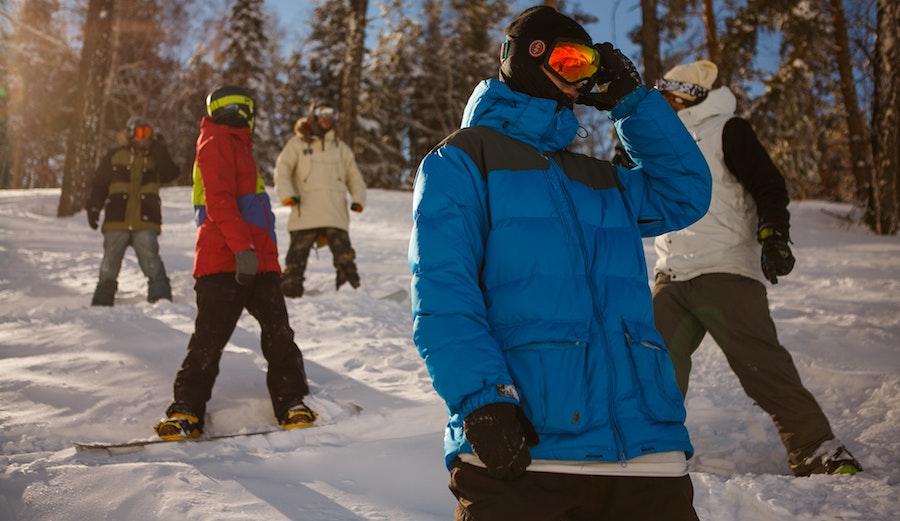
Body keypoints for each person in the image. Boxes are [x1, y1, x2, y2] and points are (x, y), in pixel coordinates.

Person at [408, 6, 713, 521]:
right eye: (569, 61)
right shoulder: (463, 159)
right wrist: (483, 399)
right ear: (523, 57)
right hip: (527, 454)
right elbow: (442, 292)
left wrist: (633, 105)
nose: (579, 81)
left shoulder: (601, 179)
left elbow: (684, 194)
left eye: (590, 68)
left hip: (647, 458)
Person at [652, 60, 863, 476]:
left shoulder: (727, 129)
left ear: (687, 96)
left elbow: (768, 183)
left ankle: (816, 447)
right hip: (672, 274)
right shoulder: (661, 140)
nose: (662, 104)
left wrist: (774, 235)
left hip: (724, 268)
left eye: (668, 96)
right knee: (650, 363)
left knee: (759, 364)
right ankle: (653, 449)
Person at [155, 85, 316, 440]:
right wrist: (242, 249)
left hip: (257, 264)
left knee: (279, 337)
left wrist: (267, 260)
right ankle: (186, 410)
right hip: (224, 264)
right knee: (209, 341)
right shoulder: (215, 143)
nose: (238, 116)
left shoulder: (238, 147)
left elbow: (253, 212)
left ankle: (291, 402)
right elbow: (220, 203)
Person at [273, 101, 367, 298]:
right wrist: (287, 195)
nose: (326, 118)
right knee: (296, 257)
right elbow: (283, 169)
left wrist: (358, 199)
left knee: (344, 255)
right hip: (305, 209)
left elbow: (354, 176)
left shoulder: (341, 148)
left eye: (330, 114)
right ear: (313, 116)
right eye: (322, 113)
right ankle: (290, 293)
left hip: (335, 211)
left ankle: (351, 293)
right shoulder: (298, 143)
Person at [85, 116, 179, 305]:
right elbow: (99, 184)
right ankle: (103, 297)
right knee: (110, 260)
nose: (144, 138)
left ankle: (160, 296)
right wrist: (94, 206)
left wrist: (160, 151)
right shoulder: (115, 156)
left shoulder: (156, 156)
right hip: (117, 218)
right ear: (130, 133)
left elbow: (171, 173)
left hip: (146, 218)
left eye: (148, 134)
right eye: (139, 133)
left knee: (150, 256)